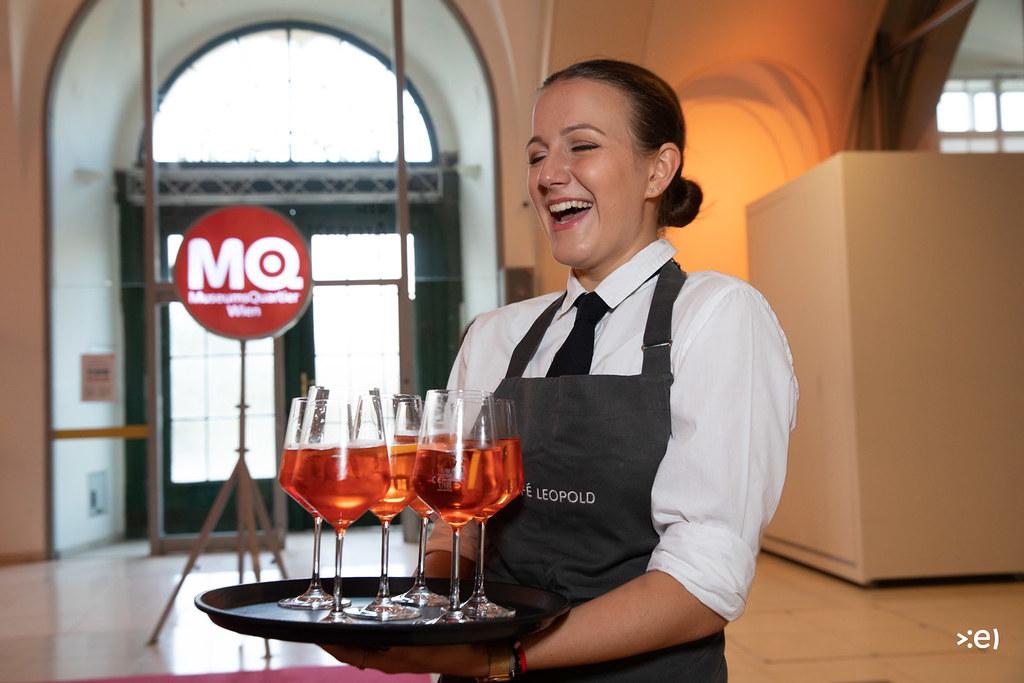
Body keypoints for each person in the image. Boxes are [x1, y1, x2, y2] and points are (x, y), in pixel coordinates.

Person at [324, 58, 797, 681]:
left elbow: (704, 582)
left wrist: (502, 657)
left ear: (658, 169)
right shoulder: (495, 335)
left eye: (583, 146)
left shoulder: (717, 316)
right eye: (537, 154)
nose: (548, 175)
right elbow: (452, 535)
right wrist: (419, 622)